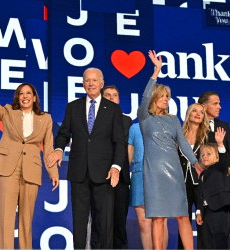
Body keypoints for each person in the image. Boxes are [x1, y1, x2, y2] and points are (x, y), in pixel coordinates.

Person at [0, 52, 59, 249]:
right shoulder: (8, 111)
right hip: (7, 170)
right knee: (5, 218)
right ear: (17, 98)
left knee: (26, 221)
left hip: (31, 171)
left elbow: (49, 146)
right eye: (21, 93)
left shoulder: (45, 118)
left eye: (28, 93)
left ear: (35, 97)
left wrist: (53, 172)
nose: (25, 96)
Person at [47, 67, 126, 249]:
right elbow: (63, 133)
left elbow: (119, 142)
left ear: (101, 84)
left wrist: (116, 166)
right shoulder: (72, 106)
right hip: (79, 172)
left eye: (94, 80)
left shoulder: (113, 109)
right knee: (79, 222)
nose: (90, 83)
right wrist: (59, 149)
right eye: (87, 80)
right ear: (83, 84)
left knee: (104, 222)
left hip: (104, 172)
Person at [138, 50, 202, 249]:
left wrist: (195, 163)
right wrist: (156, 70)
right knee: (158, 218)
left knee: (182, 215)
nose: (166, 99)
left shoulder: (173, 119)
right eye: (162, 96)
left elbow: (183, 143)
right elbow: (145, 95)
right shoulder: (145, 118)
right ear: (154, 97)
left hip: (174, 173)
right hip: (154, 174)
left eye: (168, 96)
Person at [128, 123, 168, 249]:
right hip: (139, 176)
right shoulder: (135, 128)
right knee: (143, 223)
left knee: (160, 221)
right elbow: (129, 156)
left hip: (161, 176)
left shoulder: (168, 126)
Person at [101, 85, 132, 249]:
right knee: (101, 223)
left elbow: (125, 148)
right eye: (107, 95)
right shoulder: (92, 119)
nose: (112, 98)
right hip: (99, 176)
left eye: (114, 95)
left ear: (119, 100)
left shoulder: (126, 120)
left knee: (119, 223)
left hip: (120, 177)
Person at [177, 103, 209, 249]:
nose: (198, 114)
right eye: (194, 111)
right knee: (183, 222)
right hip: (182, 185)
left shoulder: (207, 136)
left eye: (201, 112)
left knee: (203, 222)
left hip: (202, 185)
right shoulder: (178, 135)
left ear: (204, 117)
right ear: (188, 113)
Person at [196, 129, 230, 249]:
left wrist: (220, 144)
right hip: (207, 211)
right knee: (210, 242)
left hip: (219, 208)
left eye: (208, 154)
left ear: (216, 156)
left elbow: (224, 162)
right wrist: (199, 211)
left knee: (220, 239)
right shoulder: (203, 175)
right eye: (203, 155)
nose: (204, 157)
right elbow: (201, 194)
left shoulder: (219, 168)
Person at [198, 92, 230, 190]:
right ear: (204, 106)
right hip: (199, 178)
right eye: (215, 104)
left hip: (221, 180)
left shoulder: (224, 126)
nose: (220, 107)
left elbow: (229, 152)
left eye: (219, 103)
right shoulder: (195, 125)